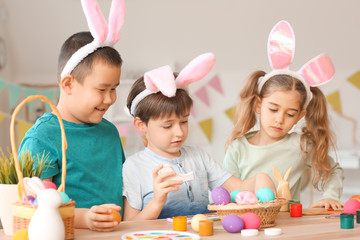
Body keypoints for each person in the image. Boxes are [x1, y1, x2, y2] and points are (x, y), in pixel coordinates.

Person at [122, 53, 276, 221]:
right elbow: (130, 224)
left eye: (184, 121)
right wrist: (157, 201)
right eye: (167, 126)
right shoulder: (134, 167)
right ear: (141, 125)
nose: (179, 132)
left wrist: (260, 179)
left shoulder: (198, 156)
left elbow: (238, 189)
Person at [18, 0, 126, 231]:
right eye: (101, 89)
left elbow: (124, 191)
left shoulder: (110, 131)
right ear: (68, 84)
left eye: (114, 88)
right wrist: (84, 218)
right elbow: (34, 206)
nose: (110, 99)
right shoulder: (42, 138)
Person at [223, 21, 344, 210]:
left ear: (300, 116)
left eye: (290, 114)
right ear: (258, 104)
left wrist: (330, 196)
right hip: (249, 226)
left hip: (289, 227)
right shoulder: (238, 148)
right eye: (273, 109)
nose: (280, 119)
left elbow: (333, 170)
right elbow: (224, 192)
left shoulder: (301, 145)